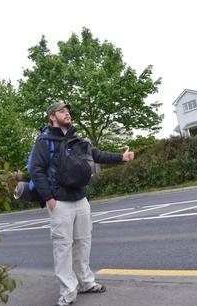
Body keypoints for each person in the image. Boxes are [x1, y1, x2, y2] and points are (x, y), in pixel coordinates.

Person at [30, 101, 134, 306]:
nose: (67, 113)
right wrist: (49, 199)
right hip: (60, 202)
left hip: (81, 199)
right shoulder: (44, 141)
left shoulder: (77, 139)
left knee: (83, 243)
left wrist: (121, 157)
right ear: (52, 116)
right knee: (63, 248)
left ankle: (86, 282)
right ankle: (68, 292)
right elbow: (36, 170)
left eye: (68, 111)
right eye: (62, 111)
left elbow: (96, 155)